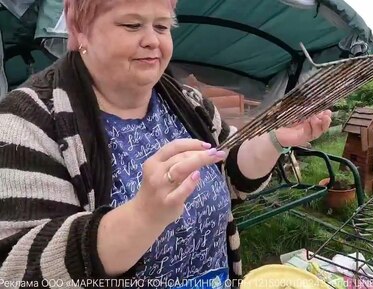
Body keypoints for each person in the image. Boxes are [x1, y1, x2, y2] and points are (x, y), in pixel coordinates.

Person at [0, 0, 332, 288]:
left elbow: (231, 174)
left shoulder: (189, 104)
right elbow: (15, 273)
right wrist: (142, 216)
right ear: (79, 29)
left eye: (161, 26)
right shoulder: (27, 121)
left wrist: (275, 139)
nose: (151, 41)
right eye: (132, 25)